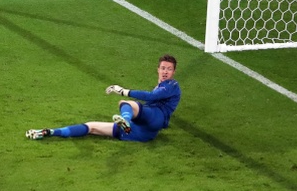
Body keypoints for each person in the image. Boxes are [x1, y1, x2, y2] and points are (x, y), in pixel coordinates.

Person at [26, 55, 181, 142]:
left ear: (174, 72)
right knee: (91, 126)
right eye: (163, 68)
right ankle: (50, 132)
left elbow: (152, 96)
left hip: (155, 118)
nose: (165, 72)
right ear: (158, 69)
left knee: (126, 102)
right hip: (139, 133)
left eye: (169, 69)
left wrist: (123, 91)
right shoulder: (161, 84)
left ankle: (124, 120)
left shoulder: (172, 85)